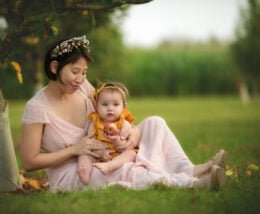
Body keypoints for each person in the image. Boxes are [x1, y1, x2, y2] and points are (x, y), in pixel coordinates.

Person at [20, 35, 227, 192]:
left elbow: (111, 112)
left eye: (84, 73)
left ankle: (190, 169)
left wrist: (132, 134)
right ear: (55, 67)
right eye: (75, 72)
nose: (80, 79)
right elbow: (30, 162)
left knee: (155, 122)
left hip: (109, 150)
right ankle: (194, 183)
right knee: (122, 169)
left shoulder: (83, 89)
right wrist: (75, 149)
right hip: (75, 172)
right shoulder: (37, 108)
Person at [78, 81, 138, 185]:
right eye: (105, 104)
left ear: (123, 107)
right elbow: (90, 141)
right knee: (84, 154)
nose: (110, 108)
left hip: (118, 154)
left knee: (131, 154)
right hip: (99, 153)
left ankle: (110, 166)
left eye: (115, 104)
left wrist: (116, 139)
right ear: (97, 106)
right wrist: (100, 153)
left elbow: (123, 146)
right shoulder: (94, 122)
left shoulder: (123, 124)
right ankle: (84, 171)